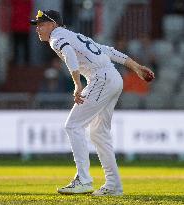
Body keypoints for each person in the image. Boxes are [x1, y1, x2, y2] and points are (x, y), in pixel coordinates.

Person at [30, 10, 155, 196]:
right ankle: (113, 185)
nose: (37, 29)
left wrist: (77, 84)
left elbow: (69, 55)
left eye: (41, 24)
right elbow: (107, 50)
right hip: (113, 77)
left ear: (53, 24)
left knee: (73, 126)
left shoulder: (56, 37)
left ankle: (83, 180)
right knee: (98, 133)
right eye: (37, 25)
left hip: (101, 78)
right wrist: (135, 66)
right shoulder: (74, 35)